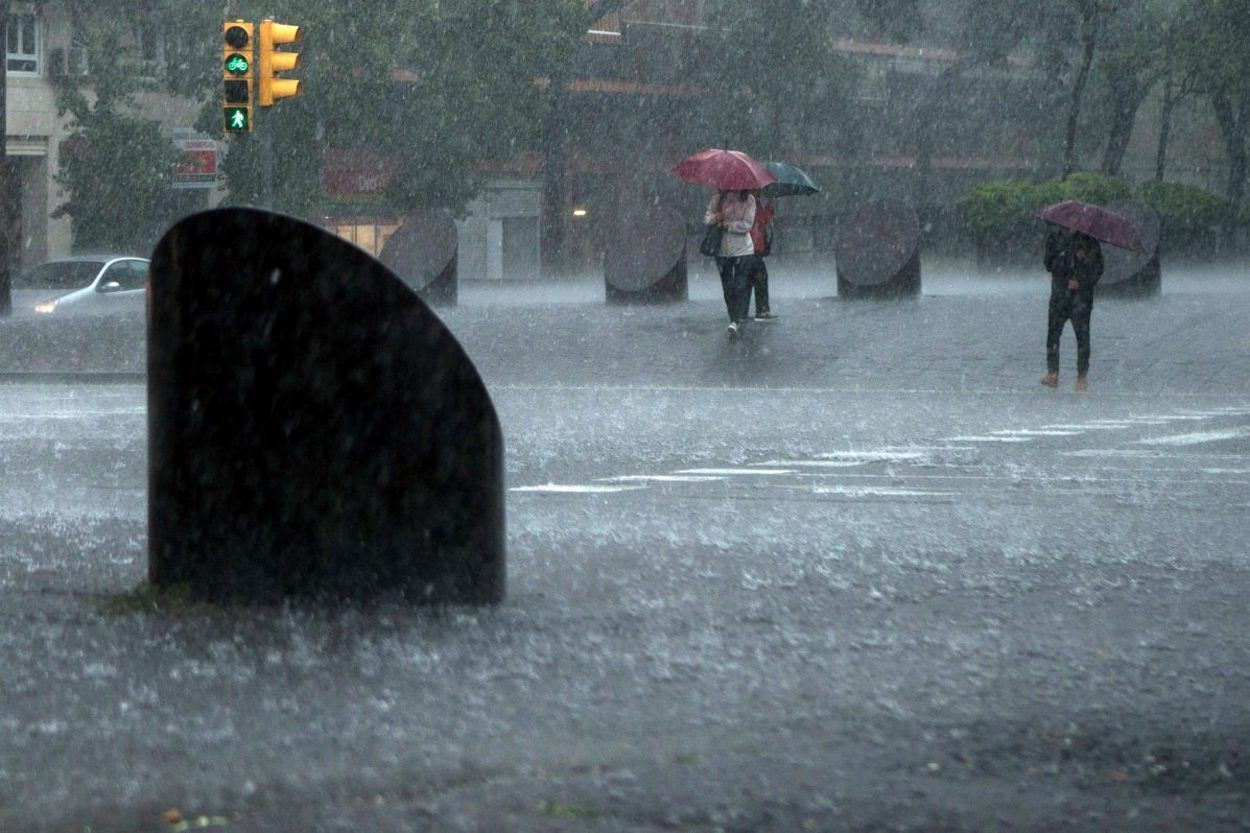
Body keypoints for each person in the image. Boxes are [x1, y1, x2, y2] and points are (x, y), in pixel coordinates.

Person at [1041, 226, 1103, 391]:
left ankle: (1082, 376)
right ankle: (1052, 372)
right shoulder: (1054, 237)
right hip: (1059, 297)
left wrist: (1081, 281)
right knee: (1053, 335)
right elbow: (1048, 264)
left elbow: (1098, 268)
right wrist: (1062, 259)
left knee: (1082, 338)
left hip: (1081, 300)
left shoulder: (1089, 240)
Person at [705, 188, 757, 337]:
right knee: (727, 287)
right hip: (722, 250)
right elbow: (707, 219)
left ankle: (735, 321)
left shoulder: (749, 200)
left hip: (743, 250)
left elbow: (747, 224)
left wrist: (727, 225)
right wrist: (717, 217)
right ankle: (734, 318)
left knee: (739, 285)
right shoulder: (718, 198)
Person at [746, 191, 777, 320]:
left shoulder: (753, 203)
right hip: (750, 246)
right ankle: (761, 309)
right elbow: (764, 221)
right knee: (758, 277)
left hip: (751, 246)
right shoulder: (751, 203)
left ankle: (743, 311)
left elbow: (765, 221)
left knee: (749, 278)